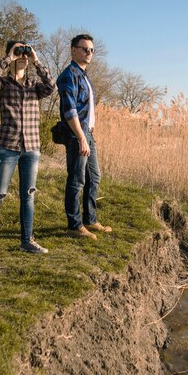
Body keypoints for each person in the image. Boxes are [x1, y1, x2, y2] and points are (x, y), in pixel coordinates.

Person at [0, 40, 56, 257]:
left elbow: (52, 86)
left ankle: (27, 241)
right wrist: (9, 58)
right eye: (19, 51)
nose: (23, 55)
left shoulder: (34, 85)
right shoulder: (2, 84)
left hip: (31, 148)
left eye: (25, 52)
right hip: (7, 146)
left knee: (28, 195)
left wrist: (37, 60)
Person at [57, 34, 112, 240]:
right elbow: (69, 110)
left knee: (94, 177)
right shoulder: (69, 75)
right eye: (85, 49)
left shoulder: (84, 75)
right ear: (73, 50)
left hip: (88, 133)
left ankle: (90, 219)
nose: (89, 53)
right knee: (76, 180)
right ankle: (74, 225)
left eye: (92, 50)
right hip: (76, 135)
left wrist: (88, 134)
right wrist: (81, 137)